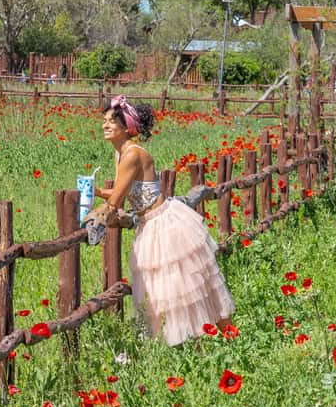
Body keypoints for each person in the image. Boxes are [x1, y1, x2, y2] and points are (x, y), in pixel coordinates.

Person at [91, 95, 234, 346]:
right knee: (162, 291)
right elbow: (122, 193)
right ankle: (188, 346)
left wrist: (97, 216)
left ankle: (223, 340)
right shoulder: (121, 153)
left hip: (163, 224)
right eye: (104, 121)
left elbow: (116, 202)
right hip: (149, 224)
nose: (105, 126)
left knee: (184, 288)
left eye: (112, 122)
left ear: (126, 127)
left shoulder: (132, 154)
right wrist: (94, 191)